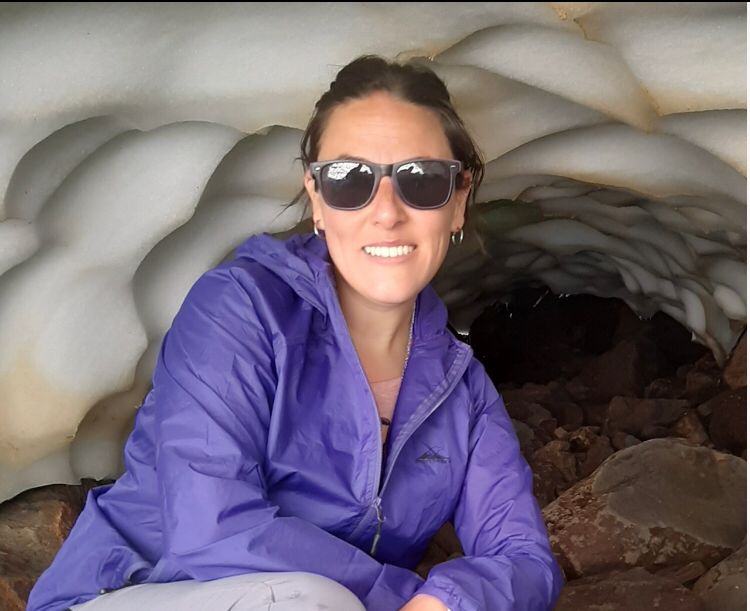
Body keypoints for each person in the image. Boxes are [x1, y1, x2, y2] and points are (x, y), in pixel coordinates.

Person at [28, 55, 563, 611]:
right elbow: (214, 529)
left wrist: (452, 600)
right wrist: (408, 598)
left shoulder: (463, 392)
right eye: (349, 180)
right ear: (318, 199)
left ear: (458, 201)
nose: (386, 212)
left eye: (422, 180)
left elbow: (526, 558)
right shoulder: (240, 310)